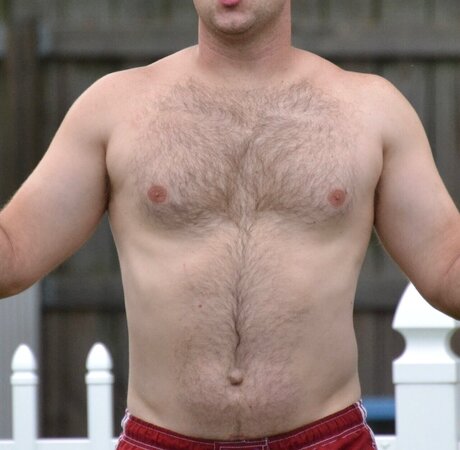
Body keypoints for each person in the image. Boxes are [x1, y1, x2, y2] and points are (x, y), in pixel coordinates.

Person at [1, 0, 459, 448]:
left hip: (326, 439)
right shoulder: (115, 109)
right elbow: (13, 253)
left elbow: (447, 268)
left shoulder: (371, 111)